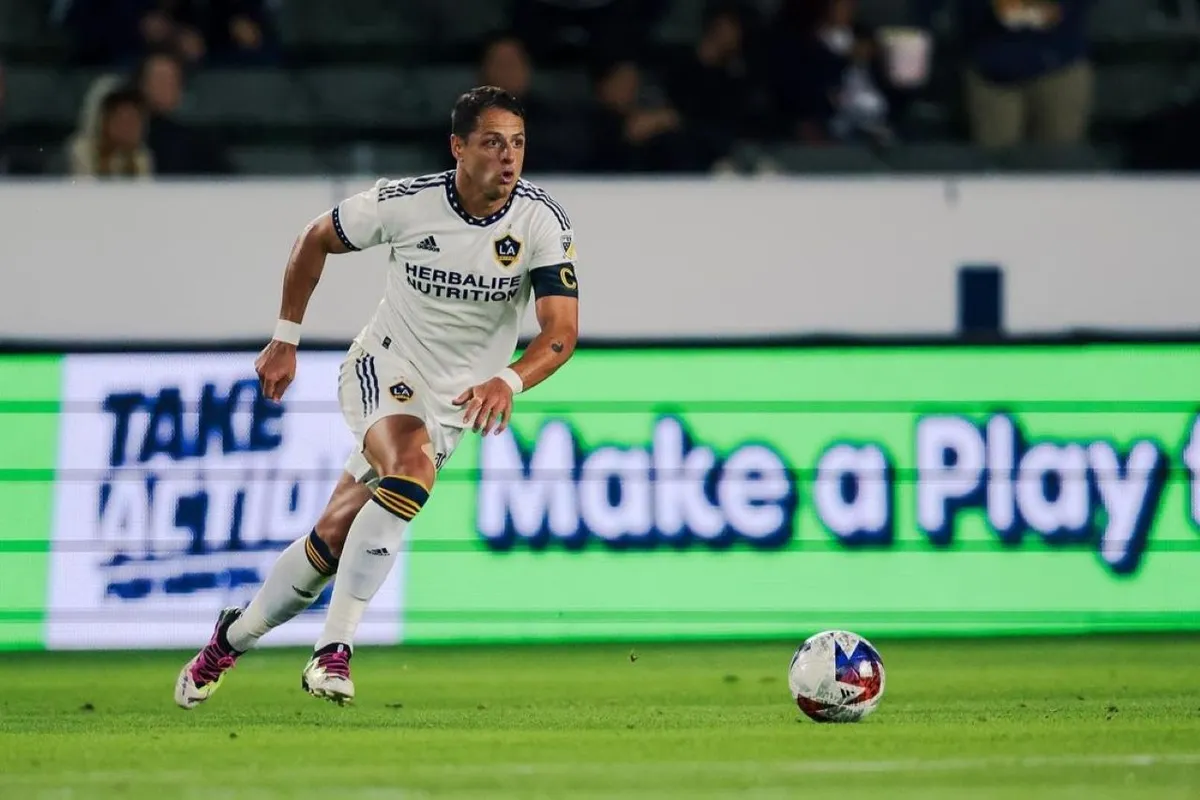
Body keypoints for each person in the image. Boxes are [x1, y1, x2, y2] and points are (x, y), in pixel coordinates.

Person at [174, 85, 581, 709]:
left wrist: (510, 379)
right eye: (493, 142)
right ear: (458, 147)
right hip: (383, 364)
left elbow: (561, 331)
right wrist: (285, 338)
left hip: (456, 401)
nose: (509, 158)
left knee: (331, 544)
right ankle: (332, 651)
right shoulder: (407, 202)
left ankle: (230, 639)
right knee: (411, 469)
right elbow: (315, 238)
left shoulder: (539, 221)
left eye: (518, 144)